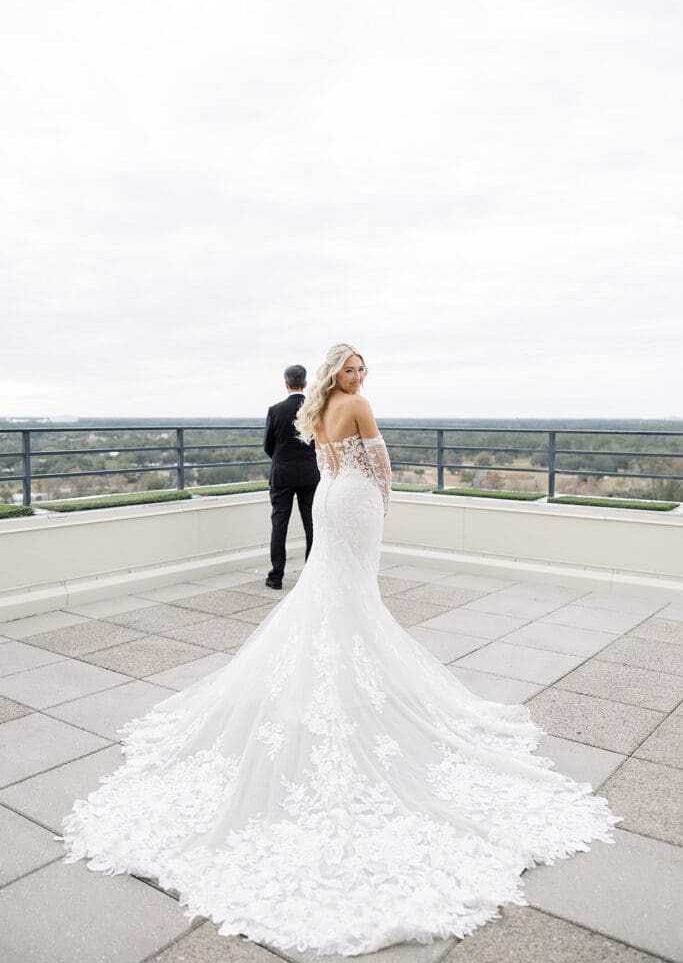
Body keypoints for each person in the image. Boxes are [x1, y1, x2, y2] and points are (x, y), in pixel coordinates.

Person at [61, 342, 620, 958]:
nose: (359, 376)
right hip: (352, 504)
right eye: (352, 368)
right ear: (336, 373)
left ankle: (339, 674)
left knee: (331, 592)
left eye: (362, 369)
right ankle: (356, 681)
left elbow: (328, 461)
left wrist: (353, 486)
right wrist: (384, 505)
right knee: (355, 594)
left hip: (330, 499)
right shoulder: (357, 404)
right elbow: (381, 469)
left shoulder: (318, 407)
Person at [263, 364, 320, 590]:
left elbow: (268, 446)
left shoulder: (275, 410)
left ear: (286, 383)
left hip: (282, 474)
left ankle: (276, 576)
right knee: (312, 525)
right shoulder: (315, 408)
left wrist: (282, 460)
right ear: (305, 384)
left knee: (279, 525)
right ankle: (312, 576)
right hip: (309, 473)